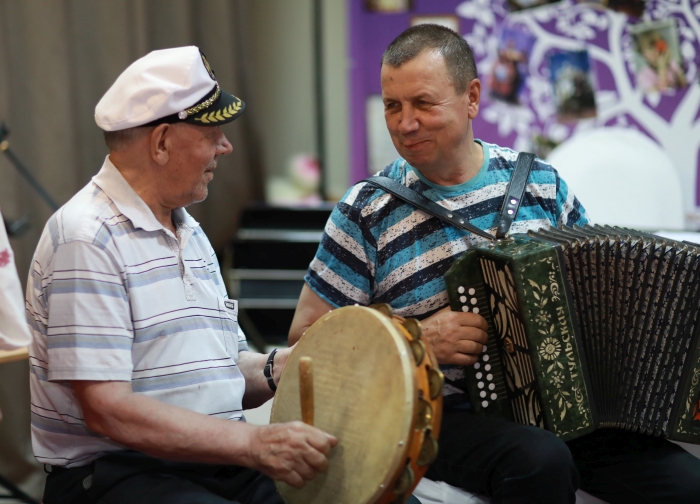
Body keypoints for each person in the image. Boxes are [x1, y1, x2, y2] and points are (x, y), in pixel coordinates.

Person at [289, 24, 700, 504]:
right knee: (540, 461)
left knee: (687, 485)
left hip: (567, 408)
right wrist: (416, 339)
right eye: (392, 106)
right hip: (438, 412)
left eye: (424, 103)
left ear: (472, 98)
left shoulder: (541, 184)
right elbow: (306, 343)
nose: (405, 123)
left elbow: (600, 297)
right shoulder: (365, 210)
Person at [26, 46, 337, 504]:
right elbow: (108, 411)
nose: (225, 146)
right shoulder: (87, 238)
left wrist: (283, 367)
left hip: (210, 466)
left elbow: (220, 373)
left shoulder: (188, 232)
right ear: (162, 142)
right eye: (212, 133)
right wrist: (255, 443)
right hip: (116, 475)